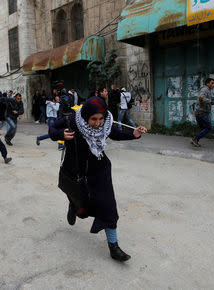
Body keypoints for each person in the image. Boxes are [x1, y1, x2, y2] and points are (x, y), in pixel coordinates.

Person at [49, 96, 147, 262]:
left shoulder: (107, 121)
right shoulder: (72, 120)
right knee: (81, 203)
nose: (98, 123)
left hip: (99, 168)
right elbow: (52, 130)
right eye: (94, 119)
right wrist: (60, 134)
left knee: (108, 205)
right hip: (76, 169)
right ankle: (73, 206)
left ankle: (113, 246)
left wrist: (134, 134)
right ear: (86, 115)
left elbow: (115, 133)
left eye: (101, 118)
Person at [190, 78, 214, 147]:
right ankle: (195, 139)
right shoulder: (204, 89)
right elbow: (201, 98)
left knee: (204, 128)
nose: (213, 85)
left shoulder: (207, 90)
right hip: (202, 113)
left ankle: (195, 140)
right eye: (212, 83)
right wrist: (212, 102)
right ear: (207, 83)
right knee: (209, 128)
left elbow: (205, 101)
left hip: (201, 112)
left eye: (213, 83)